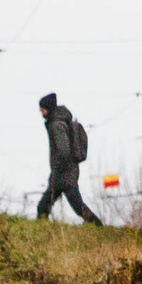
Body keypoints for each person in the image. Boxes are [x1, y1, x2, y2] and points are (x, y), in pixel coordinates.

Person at [37, 92, 100, 222]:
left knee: (44, 207)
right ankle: (96, 225)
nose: (40, 111)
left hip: (63, 175)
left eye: (42, 108)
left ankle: (96, 224)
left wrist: (57, 168)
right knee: (47, 207)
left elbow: (63, 150)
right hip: (66, 173)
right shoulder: (60, 121)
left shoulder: (56, 125)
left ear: (47, 109)